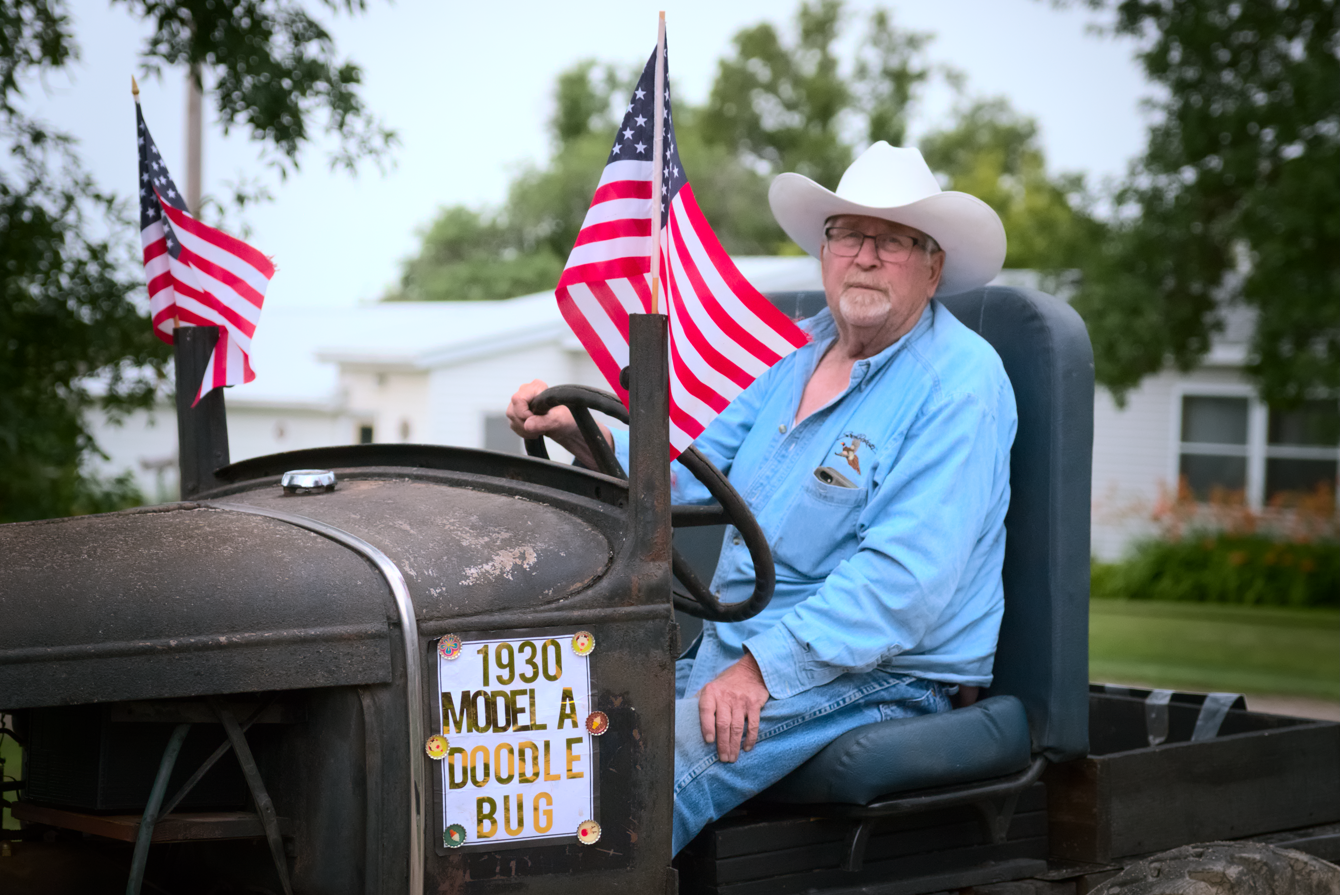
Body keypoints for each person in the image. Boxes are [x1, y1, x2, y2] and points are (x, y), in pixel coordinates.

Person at [507, 142, 1016, 853]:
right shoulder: (790, 354)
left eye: (894, 240)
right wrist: (578, 430)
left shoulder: (960, 384)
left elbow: (903, 583)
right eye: (848, 234)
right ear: (825, 251)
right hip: (740, 644)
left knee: (628, 769)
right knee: (544, 730)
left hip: (884, 675)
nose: (866, 255)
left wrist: (761, 671)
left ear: (933, 265)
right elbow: (685, 472)